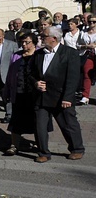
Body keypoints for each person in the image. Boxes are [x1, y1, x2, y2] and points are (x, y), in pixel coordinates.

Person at [30, 27, 85, 163]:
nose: (41, 38)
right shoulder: (38, 54)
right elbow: (30, 73)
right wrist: (36, 83)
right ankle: (43, 152)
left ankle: (77, 149)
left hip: (61, 97)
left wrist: (67, 97)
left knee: (68, 124)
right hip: (42, 97)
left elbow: (73, 78)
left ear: (54, 38)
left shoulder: (69, 53)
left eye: (44, 36)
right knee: (40, 126)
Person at [1, 31, 38, 156]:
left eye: (27, 42)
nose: (24, 45)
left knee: (37, 120)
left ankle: (40, 144)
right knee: (16, 120)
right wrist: (7, 91)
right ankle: (14, 145)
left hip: (35, 94)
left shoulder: (39, 55)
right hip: (19, 93)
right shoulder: (16, 55)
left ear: (34, 43)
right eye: (22, 42)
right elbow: (10, 75)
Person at [78, 16, 96, 105]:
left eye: (94, 22)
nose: (92, 24)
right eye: (90, 22)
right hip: (87, 54)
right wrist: (86, 46)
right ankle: (85, 96)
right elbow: (78, 45)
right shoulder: (83, 32)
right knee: (86, 73)